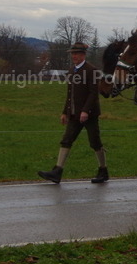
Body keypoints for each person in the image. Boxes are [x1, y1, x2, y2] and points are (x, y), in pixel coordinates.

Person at [38, 42, 108, 184]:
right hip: (74, 114)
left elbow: (93, 94)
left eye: (76, 54)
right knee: (66, 140)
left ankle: (103, 170)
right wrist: (65, 112)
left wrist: (85, 111)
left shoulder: (92, 70)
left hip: (89, 114)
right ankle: (57, 171)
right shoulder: (71, 71)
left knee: (95, 142)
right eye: (72, 54)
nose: (74, 56)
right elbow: (69, 94)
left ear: (83, 55)